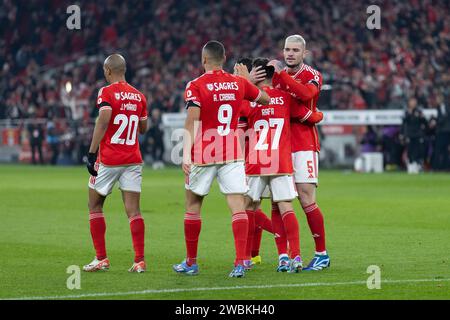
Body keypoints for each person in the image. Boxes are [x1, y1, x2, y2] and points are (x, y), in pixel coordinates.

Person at [172, 40, 270, 278]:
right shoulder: (238, 83)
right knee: (237, 207)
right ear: (224, 59)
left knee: (193, 206)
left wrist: (185, 154)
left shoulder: (195, 85)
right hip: (231, 151)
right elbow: (265, 100)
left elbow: (192, 120)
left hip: (204, 152)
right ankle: (240, 262)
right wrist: (247, 83)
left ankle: (191, 262)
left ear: (204, 59)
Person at [238, 58, 324, 273]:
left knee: (249, 206)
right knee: (286, 206)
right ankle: (295, 256)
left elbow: (239, 127)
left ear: (255, 76)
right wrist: (320, 114)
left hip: (256, 161)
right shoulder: (285, 98)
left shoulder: (248, 102)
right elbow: (309, 116)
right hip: (281, 161)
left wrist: (243, 82)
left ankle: (246, 258)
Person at [269, 34, 330, 271]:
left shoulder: (311, 75)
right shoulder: (272, 77)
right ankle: (283, 256)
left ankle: (321, 253)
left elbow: (306, 95)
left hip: (304, 145)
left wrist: (281, 76)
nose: (290, 53)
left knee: (306, 198)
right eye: (286, 49)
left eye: (295, 50)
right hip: (279, 145)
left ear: (304, 53)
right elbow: (275, 103)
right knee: (278, 201)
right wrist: (309, 115)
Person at [83, 54, 149, 273]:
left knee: (94, 205)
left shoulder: (106, 92)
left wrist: (92, 153)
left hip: (110, 159)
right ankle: (139, 260)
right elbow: (143, 128)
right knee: (133, 211)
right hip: (132, 159)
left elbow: (104, 119)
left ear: (108, 71)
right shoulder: (139, 96)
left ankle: (101, 258)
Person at [400, 97, 428, 174]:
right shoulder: (406, 112)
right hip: (409, 134)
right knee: (409, 150)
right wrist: (402, 134)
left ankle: (416, 165)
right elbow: (403, 123)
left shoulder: (419, 112)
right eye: (412, 101)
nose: (413, 103)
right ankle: (410, 165)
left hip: (417, 134)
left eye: (414, 101)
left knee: (417, 150)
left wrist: (421, 117)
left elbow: (425, 122)